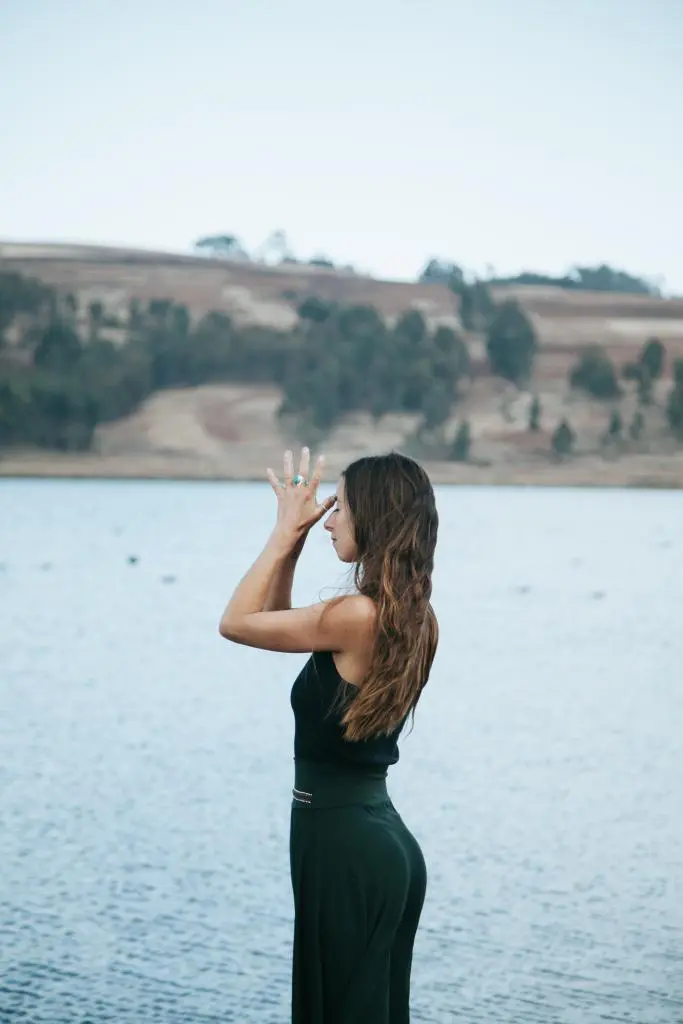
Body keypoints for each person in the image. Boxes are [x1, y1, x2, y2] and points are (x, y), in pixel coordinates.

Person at [219, 447, 439, 1024]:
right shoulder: (413, 619)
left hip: (347, 848)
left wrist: (281, 533)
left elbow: (235, 623)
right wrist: (291, 545)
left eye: (340, 506)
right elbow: (275, 619)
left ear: (375, 516)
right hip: (372, 841)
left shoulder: (357, 616)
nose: (328, 520)